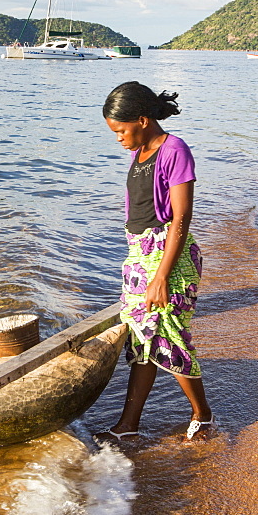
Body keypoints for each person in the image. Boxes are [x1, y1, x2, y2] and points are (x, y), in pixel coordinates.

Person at [96, 81, 214, 442]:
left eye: (121, 130)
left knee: (169, 336)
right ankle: (128, 425)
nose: (118, 138)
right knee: (141, 340)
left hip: (169, 259)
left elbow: (181, 217)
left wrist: (161, 275)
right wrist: (137, 258)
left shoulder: (174, 150)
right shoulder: (140, 152)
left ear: (143, 120)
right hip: (139, 255)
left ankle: (203, 414)